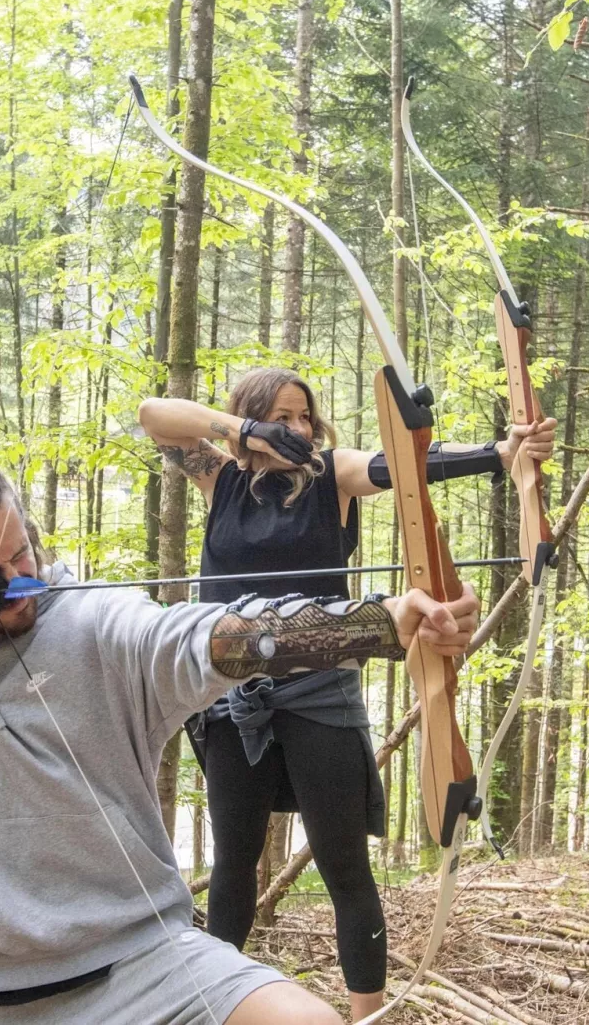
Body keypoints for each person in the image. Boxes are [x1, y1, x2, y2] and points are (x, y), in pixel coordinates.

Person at [0, 438, 480, 1025]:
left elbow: (210, 635)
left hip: (150, 966)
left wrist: (375, 625)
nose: (16, 586)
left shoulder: (100, 625)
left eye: (21, 554)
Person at [137, 367, 555, 1020]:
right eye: (281, 416)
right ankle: (212, 1009)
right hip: (232, 702)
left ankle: (367, 1015)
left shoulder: (332, 475)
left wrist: (501, 454)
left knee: (345, 870)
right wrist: (242, 433)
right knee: (233, 868)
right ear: (251, 420)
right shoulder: (219, 479)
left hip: (318, 695)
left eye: (304, 416)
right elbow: (154, 415)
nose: (298, 428)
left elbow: (407, 466)